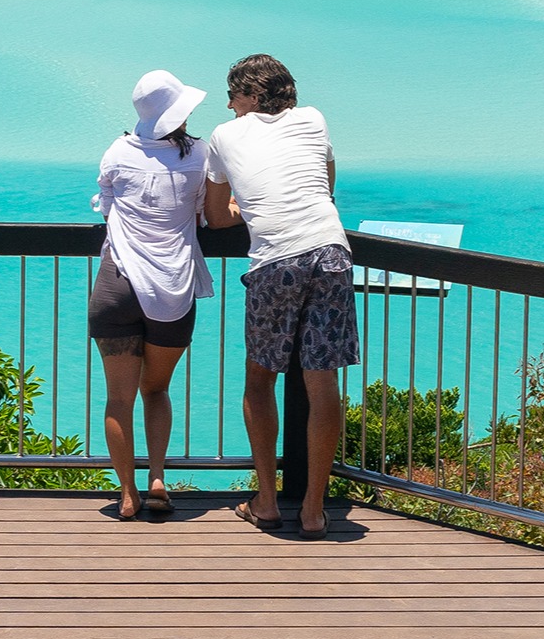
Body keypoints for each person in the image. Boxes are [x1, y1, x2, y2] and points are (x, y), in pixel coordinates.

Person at [202, 52, 354, 537]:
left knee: (259, 379)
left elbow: (217, 218)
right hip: (329, 250)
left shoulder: (224, 137)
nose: (228, 105)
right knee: (322, 381)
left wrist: (243, 207)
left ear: (252, 94)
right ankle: (313, 509)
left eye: (233, 94)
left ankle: (266, 501)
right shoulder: (313, 118)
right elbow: (326, 187)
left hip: (276, 260)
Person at [91, 70, 214, 521]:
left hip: (116, 285)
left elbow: (105, 203)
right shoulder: (198, 155)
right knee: (156, 389)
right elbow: (206, 213)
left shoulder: (118, 151)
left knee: (117, 399)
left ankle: (127, 495)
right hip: (172, 290)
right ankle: (158, 477)